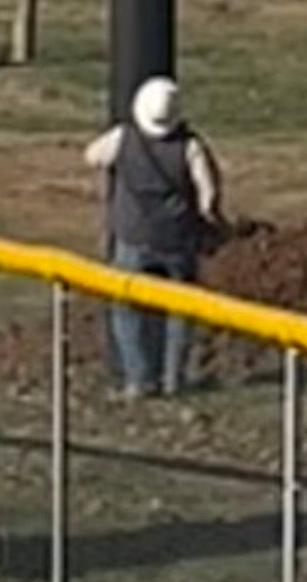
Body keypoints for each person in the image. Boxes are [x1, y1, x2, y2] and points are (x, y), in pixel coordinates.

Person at [82, 74, 223, 398]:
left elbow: (91, 156)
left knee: (124, 308)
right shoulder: (190, 147)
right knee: (180, 309)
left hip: (132, 236)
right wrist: (211, 220)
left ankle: (138, 379)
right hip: (177, 239)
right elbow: (208, 194)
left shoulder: (122, 138)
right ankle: (174, 380)